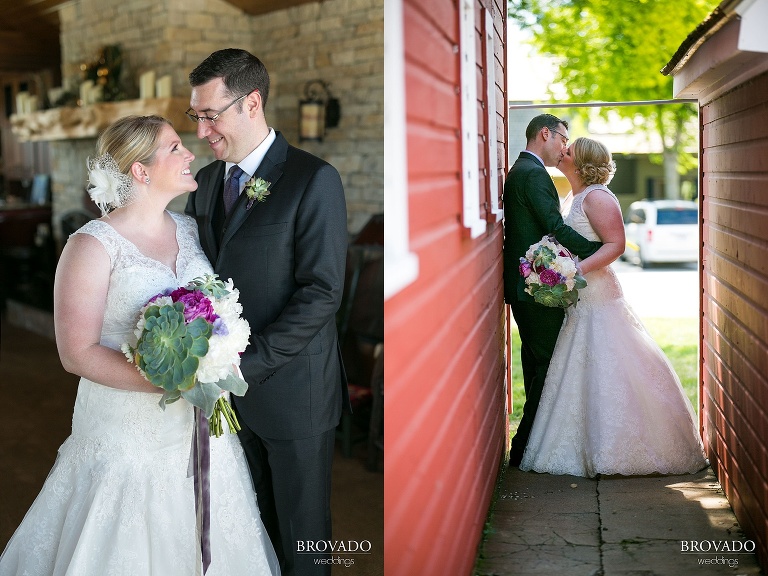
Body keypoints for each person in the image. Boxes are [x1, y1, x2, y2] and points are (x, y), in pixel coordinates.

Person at [0, 115, 280, 575]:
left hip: (199, 433)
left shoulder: (190, 230)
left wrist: (213, 364)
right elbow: (77, 352)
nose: (190, 152)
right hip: (125, 436)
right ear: (140, 171)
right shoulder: (92, 246)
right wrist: (179, 381)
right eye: (174, 147)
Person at [185, 49, 349, 576]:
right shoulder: (207, 183)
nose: (204, 131)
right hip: (225, 400)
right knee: (248, 533)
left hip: (293, 393)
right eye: (197, 116)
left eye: (212, 115)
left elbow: (321, 293)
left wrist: (244, 366)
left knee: (303, 541)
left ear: (251, 103)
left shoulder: (313, 179)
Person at [519, 137, 708, 477]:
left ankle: (623, 448)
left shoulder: (597, 196)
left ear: (582, 163)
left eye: (569, 150)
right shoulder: (574, 195)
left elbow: (616, 244)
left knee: (610, 360)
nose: (562, 151)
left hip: (598, 293)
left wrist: (577, 270)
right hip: (579, 297)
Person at [504, 114, 602, 467]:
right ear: (545, 133)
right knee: (547, 367)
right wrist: (599, 250)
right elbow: (555, 227)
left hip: (527, 288)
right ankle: (526, 448)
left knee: (536, 365)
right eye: (563, 139)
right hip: (534, 290)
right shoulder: (532, 174)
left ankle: (529, 444)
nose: (564, 148)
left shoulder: (523, 170)